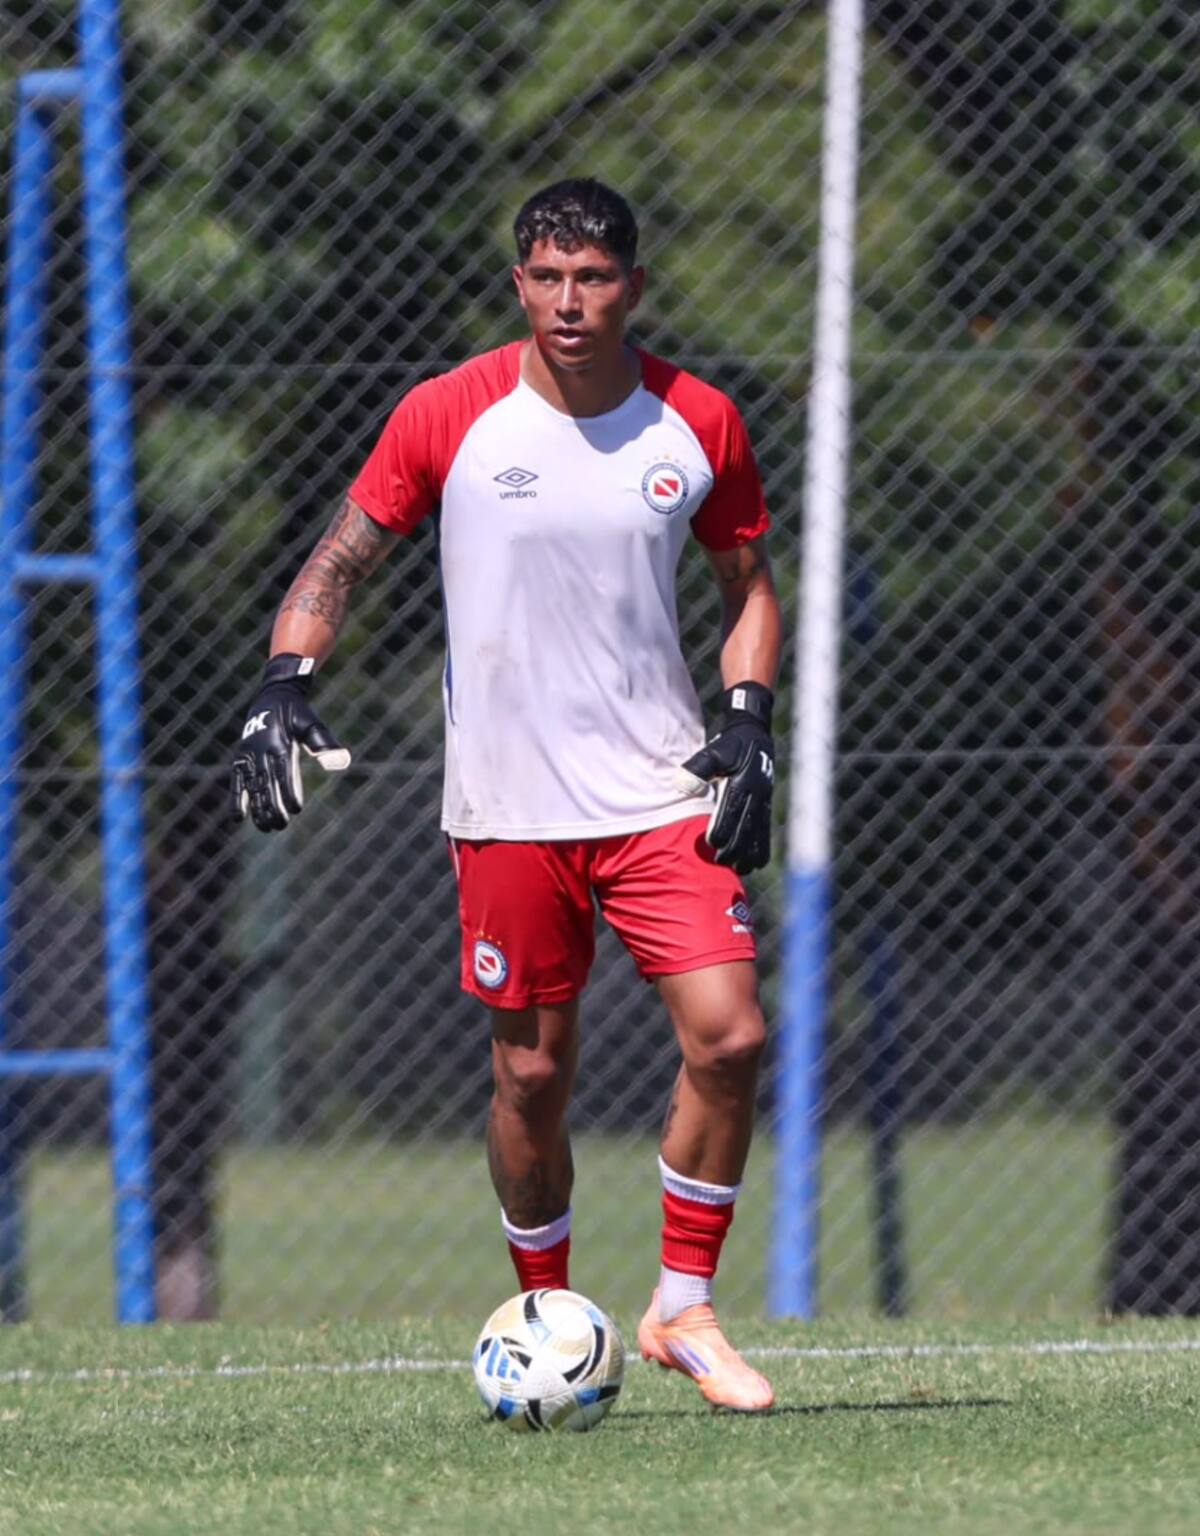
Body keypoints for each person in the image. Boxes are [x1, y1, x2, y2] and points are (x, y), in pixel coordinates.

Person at [231, 179, 783, 1412]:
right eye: (549, 278)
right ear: (519, 284)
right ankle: (543, 1312)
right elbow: (340, 556)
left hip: (658, 794)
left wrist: (746, 722)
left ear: (634, 285)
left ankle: (682, 1308)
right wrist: (286, 682)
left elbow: (749, 586)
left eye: (594, 278)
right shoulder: (449, 414)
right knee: (533, 1078)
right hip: (508, 808)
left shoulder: (696, 420)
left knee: (733, 1034)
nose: (571, 302)